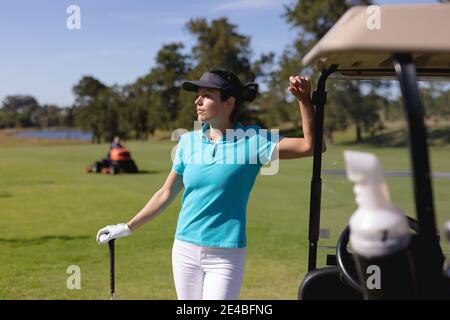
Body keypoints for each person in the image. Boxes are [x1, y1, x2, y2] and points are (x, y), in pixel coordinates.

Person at [96, 68, 322, 300]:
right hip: (184, 248)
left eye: (206, 95)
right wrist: (127, 227)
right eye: (198, 94)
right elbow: (166, 193)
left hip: (226, 254)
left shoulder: (255, 141)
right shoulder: (187, 142)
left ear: (229, 102)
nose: (198, 100)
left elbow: (312, 147)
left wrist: (304, 101)